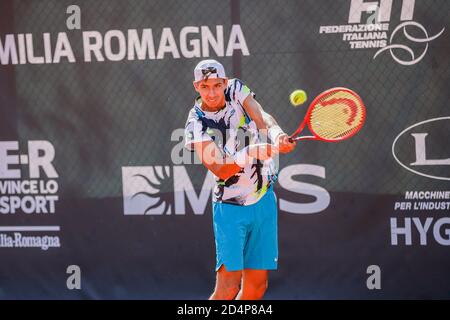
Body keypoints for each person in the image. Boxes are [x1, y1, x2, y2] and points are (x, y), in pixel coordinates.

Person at [184, 59, 296, 300]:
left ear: (225, 82)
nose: (212, 92)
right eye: (205, 87)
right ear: (196, 87)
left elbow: (259, 115)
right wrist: (251, 152)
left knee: (257, 287)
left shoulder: (236, 90)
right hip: (230, 209)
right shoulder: (196, 123)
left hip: (263, 200)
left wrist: (276, 134)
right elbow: (220, 169)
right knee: (228, 288)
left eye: (217, 85)